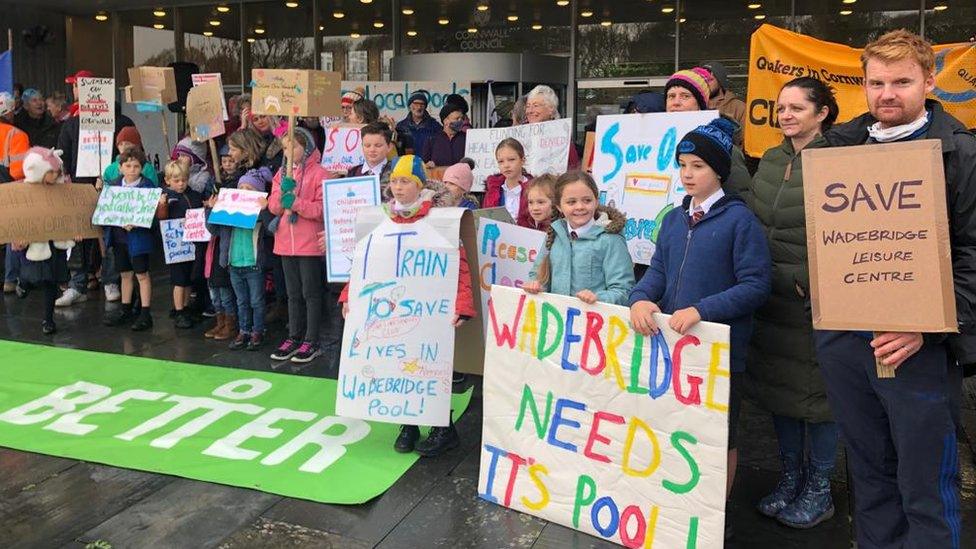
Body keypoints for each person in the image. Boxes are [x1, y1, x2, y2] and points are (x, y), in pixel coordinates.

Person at [818, 30, 975, 548]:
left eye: (902, 82)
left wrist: (927, 326)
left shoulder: (961, 153)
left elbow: (973, 254)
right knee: (870, 478)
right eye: (877, 82)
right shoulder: (837, 146)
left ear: (929, 81)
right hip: (846, 341)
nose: (888, 93)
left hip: (920, 345)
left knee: (926, 485)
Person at [628, 118, 771, 541]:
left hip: (720, 351)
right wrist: (640, 296)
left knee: (718, 433)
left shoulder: (740, 222)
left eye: (698, 166)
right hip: (673, 347)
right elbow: (658, 268)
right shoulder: (674, 218)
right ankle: (677, 500)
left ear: (719, 172)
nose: (688, 174)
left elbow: (756, 285)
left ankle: (715, 511)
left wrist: (702, 310)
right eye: (683, 165)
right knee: (674, 425)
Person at [736, 77, 841, 528]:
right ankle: (790, 478)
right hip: (769, 298)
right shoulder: (771, 158)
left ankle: (820, 488)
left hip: (811, 302)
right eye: (782, 108)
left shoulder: (838, 159)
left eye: (798, 108)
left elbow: (846, 235)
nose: (787, 115)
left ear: (822, 113)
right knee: (779, 393)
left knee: (816, 399)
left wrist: (806, 281)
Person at [339, 155, 476, 457]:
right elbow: (363, 264)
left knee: (427, 368)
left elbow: (461, 266)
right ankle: (408, 424)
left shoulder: (441, 220)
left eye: (405, 181)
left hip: (429, 312)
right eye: (393, 182)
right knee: (397, 367)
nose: (397, 188)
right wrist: (350, 295)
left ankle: (443, 428)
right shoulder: (379, 220)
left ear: (419, 184)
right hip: (392, 310)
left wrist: (463, 305)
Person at [523, 171, 635, 306]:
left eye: (587, 200)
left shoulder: (610, 239)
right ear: (559, 206)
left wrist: (598, 298)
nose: (580, 207)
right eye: (571, 202)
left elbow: (624, 290)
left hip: (592, 322)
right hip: (555, 320)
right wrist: (536, 286)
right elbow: (537, 274)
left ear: (596, 201)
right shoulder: (555, 234)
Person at [268, 127, 330, 364]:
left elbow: (322, 210)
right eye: (285, 147)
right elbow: (273, 206)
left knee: (311, 293)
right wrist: (281, 197)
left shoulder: (319, 173)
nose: (289, 151)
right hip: (285, 241)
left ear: (307, 147)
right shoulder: (282, 173)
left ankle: (311, 339)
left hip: (309, 243)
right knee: (293, 294)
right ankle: (294, 335)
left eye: (293, 146)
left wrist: (297, 202)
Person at [12, 147, 74, 334]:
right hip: (33, 242)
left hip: (55, 242)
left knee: (51, 280)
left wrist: (75, 231)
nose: (55, 176)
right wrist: (18, 238)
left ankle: (48, 320)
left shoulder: (63, 188)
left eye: (56, 172)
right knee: (34, 275)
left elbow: (70, 212)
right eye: (50, 172)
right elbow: (16, 216)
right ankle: (24, 283)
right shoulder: (25, 190)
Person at [101, 148, 164, 331]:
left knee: (142, 274)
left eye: (136, 166)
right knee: (125, 274)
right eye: (128, 166)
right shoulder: (113, 185)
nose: (132, 170)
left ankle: (145, 312)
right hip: (119, 237)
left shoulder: (148, 187)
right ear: (120, 167)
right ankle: (125, 309)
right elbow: (107, 210)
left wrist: (136, 222)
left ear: (142, 168)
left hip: (139, 237)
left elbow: (151, 214)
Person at [664, 68, 752, 198]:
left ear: (700, 104)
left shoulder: (722, 144)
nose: (676, 102)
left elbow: (740, 196)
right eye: (671, 96)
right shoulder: (653, 143)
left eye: (685, 96)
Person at [225, 170, 273, 351]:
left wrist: (265, 210)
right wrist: (210, 209)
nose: (244, 191)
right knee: (241, 301)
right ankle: (244, 330)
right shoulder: (229, 212)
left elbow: (270, 230)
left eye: (249, 188)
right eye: (241, 188)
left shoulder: (259, 214)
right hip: (234, 264)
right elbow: (213, 229)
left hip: (253, 264)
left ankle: (258, 330)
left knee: (256, 301)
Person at [159, 161, 206, 329]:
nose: (180, 184)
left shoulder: (193, 195)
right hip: (176, 246)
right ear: (168, 180)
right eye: (176, 180)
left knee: (188, 279)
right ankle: (178, 310)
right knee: (179, 280)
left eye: (183, 180)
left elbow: (199, 210)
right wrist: (163, 205)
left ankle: (185, 308)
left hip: (191, 244)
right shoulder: (167, 197)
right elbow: (161, 218)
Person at [204, 144, 243, 341]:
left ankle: (230, 323)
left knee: (225, 289)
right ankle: (220, 322)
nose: (227, 165)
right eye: (224, 161)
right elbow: (211, 226)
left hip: (228, 242)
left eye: (231, 160)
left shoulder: (238, 182)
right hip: (216, 243)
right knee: (215, 289)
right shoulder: (214, 183)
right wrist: (211, 207)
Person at [0, 92, 29, 296]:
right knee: (14, 233)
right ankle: (11, 279)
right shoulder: (17, 135)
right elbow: (18, 170)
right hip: (9, 189)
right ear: (10, 111)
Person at [524, 85, 580, 170]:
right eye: (528, 106)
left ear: (551, 109)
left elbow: (573, 169)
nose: (530, 111)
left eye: (536, 106)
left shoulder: (561, 136)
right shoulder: (520, 134)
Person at [482, 138, 534, 225]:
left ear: (523, 160)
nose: (506, 165)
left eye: (511, 159)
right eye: (501, 161)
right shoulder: (492, 191)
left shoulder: (534, 189)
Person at [703, 61, 747, 146]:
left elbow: (744, 141)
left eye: (710, 79)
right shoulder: (693, 105)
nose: (706, 83)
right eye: (703, 79)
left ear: (720, 81)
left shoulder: (739, 107)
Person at [346, 121, 396, 194]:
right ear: (362, 146)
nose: (372, 150)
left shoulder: (396, 172)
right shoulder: (353, 173)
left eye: (378, 145)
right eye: (367, 146)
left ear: (389, 147)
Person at [396, 90, 442, 156]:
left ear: (425, 107)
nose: (419, 107)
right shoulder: (401, 126)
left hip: (429, 164)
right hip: (408, 164)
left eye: (422, 104)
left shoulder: (435, 126)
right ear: (409, 106)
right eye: (416, 103)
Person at [422, 103, 466, 168]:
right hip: (439, 177)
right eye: (457, 118)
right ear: (445, 121)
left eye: (462, 118)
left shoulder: (466, 138)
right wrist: (428, 165)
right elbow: (424, 163)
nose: (460, 121)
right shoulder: (432, 139)